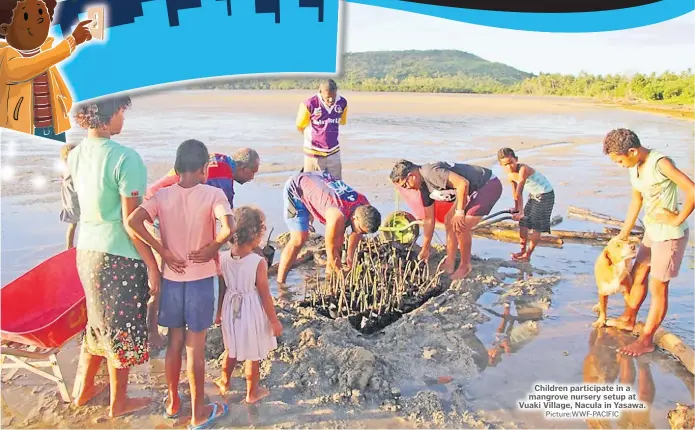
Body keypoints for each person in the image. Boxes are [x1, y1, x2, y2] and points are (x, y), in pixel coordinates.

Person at [127, 139, 234, 428]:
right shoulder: (213, 194)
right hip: (201, 281)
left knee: (174, 342)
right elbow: (229, 228)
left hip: (172, 280)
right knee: (194, 349)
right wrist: (212, 248)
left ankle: (173, 402)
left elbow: (133, 222)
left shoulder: (162, 196)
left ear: (176, 167)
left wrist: (161, 251)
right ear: (204, 169)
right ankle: (198, 413)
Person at [65, 96, 157, 417]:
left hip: (86, 250)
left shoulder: (75, 155)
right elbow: (131, 223)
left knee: (96, 323)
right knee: (122, 326)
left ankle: (84, 390)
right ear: (107, 115)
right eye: (121, 111)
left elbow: (76, 209)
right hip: (117, 255)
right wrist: (152, 265)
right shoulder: (125, 159)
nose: (123, 117)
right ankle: (118, 403)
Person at [602, 128, 693, 357]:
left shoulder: (660, 163)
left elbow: (692, 189)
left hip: (670, 236)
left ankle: (646, 340)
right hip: (652, 231)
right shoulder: (635, 167)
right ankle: (628, 318)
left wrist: (678, 218)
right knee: (638, 273)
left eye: (620, 159)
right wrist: (624, 233)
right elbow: (637, 200)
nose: (620, 164)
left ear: (632, 150)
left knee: (658, 287)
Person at [389, 160, 503, 280]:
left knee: (460, 226)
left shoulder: (431, 173)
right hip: (468, 191)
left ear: (411, 176)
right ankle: (450, 261)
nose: (407, 189)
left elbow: (462, 184)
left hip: (486, 185)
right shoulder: (423, 187)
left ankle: (465, 266)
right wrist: (425, 248)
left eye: (405, 185)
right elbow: (429, 220)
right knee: (448, 220)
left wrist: (460, 212)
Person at [214, 206, 282, 404]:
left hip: (229, 307)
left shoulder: (223, 257)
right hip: (250, 308)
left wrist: (218, 313)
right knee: (253, 354)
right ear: (257, 235)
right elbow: (265, 295)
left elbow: (222, 287)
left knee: (231, 347)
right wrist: (274, 321)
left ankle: (224, 381)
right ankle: (252, 392)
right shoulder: (257, 261)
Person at [0, 0, 92, 140]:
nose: (39, 19)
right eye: (26, 16)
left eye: (41, 12)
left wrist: (62, 106)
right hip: (21, 132)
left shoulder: (47, 57)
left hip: (54, 130)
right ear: (4, 29)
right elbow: (27, 67)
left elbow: (61, 89)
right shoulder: (7, 60)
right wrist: (72, 41)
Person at [277, 170, 381, 283]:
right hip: (297, 188)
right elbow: (331, 252)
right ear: (355, 218)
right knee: (299, 239)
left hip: (319, 181)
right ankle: (280, 283)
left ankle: (328, 277)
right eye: (361, 230)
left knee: (339, 236)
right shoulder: (336, 217)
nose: (361, 234)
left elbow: (356, 234)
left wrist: (351, 262)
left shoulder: (365, 206)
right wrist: (341, 275)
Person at [497, 148, 555, 262]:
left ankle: (528, 254)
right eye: (505, 165)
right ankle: (522, 250)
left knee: (536, 227)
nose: (509, 167)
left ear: (516, 160)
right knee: (523, 223)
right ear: (501, 165)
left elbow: (519, 191)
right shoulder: (509, 174)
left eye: (511, 163)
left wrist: (521, 212)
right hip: (534, 195)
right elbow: (514, 193)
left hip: (545, 195)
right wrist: (517, 208)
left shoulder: (523, 169)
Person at [145, 148, 260, 205]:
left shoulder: (219, 158)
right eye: (253, 172)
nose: (252, 177)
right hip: (158, 203)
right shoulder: (223, 181)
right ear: (243, 168)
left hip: (153, 194)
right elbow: (228, 218)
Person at [296, 79, 348, 179]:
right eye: (328, 97)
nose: (331, 100)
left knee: (337, 186)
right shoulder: (309, 104)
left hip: (334, 152)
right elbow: (300, 126)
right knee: (313, 186)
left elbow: (342, 121)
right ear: (320, 92)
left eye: (333, 97)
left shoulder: (342, 103)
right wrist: (314, 138)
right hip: (313, 154)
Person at [59, 143, 79, 249]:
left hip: (69, 201)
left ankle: (69, 246)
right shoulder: (71, 169)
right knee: (75, 224)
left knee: (72, 225)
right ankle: (69, 246)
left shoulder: (66, 168)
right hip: (74, 202)